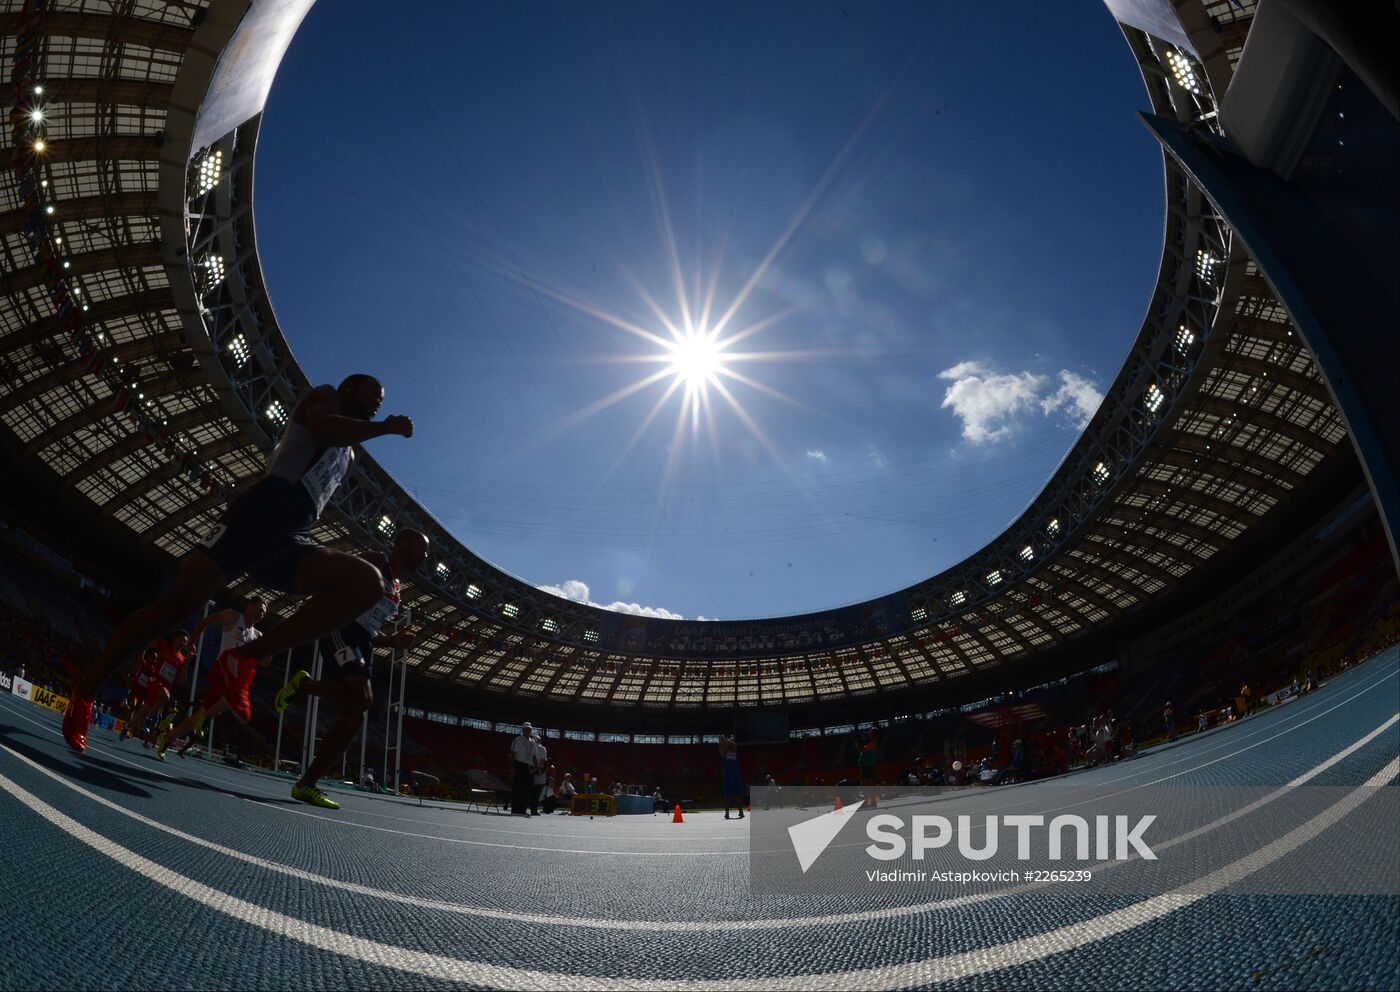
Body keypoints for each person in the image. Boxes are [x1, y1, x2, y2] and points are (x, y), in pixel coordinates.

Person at [61, 374, 413, 753]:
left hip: (293, 536)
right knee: (176, 607)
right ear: (349, 388)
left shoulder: (351, 455)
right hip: (255, 517)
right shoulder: (325, 398)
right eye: (373, 392)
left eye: (382, 398)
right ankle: (87, 689)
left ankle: (246, 658)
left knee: (368, 584)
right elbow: (323, 428)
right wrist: (383, 428)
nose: (379, 400)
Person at [271, 529, 427, 808]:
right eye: (422, 548)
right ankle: (303, 685)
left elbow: (370, 631)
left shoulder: (397, 588)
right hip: (341, 628)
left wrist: (393, 641)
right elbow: (337, 580)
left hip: (361, 641)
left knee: (356, 716)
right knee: (363, 700)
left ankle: (306, 784)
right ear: (403, 543)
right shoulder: (376, 561)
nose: (425, 556)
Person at [157, 598, 266, 758]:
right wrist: (191, 641)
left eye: (263, 612)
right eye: (259, 609)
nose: (261, 614)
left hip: (233, 679)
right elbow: (207, 621)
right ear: (249, 606)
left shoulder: (257, 635)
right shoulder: (234, 617)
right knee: (235, 697)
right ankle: (205, 717)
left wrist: (273, 647)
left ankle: (168, 738)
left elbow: (265, 662)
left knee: (198, 716)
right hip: (220, 669)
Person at [126, 632, 190, 750]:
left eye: (185, 642)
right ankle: (148, 720)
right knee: (166, 696)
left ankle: (127, 726)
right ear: (175, 638)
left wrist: (187, 661)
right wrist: (142, 655)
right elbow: (149, 640)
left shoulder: (182, 659)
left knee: (147, 707)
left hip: (164, 688)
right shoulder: (164, 645)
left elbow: (181, 680)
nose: (183, 643)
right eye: (181, 639)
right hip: (154, 680)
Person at [510, 722, 538, 815]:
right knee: (518, 788)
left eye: (529, 729)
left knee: (526, 790)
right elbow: (513, 754)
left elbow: (534, 756)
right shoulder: (518, 740)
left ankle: (522, 809)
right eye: (526, 729)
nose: (528, 730)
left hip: (528, 767)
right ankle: (515, 809)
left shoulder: (532, 742)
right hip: (519, 765)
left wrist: (537, 768)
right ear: (522, 730)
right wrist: (512, 767)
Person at [719, 734, 743, 820]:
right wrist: (723, 741)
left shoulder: (734, 748)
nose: (731, 742)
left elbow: (733, 745)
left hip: (735, 772)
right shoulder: (724, 751)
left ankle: (741, 812)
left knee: (738, 793)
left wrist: (725, 739)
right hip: (728, 773)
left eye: (732, 740)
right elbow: (721, 748)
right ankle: (727, 813)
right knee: (727, 795)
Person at [530, 733, 549, 817]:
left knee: (529, 792)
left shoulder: (531, 747)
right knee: (536, 793)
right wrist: (540, 771)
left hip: (531, 771)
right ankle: (534, 810)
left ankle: (526, 808)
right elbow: (544, 761)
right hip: (540, 772)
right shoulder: (543, 748)